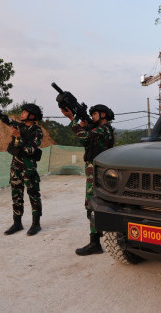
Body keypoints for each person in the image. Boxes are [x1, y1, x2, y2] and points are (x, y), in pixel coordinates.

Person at [0, 91, 44, 236]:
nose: (22, 113)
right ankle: (17, 223)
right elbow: (1, 115)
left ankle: (36, 224)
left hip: (28, 168)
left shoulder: (38, 131)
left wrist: (18, 138)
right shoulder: (19, 126)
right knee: (16, 195)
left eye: (25, 112)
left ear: (32, 115)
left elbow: (30, 150)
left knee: (33, 195)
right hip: (15, 167)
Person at [61, 104, 115, 255]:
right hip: (96, 172)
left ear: (103, 114)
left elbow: (83, 136)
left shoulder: (104, 129)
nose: (92, 117)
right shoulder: (101, 130)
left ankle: (95, 243)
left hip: (96, 173)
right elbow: (86, 141)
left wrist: (72, 119)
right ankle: (96, 238)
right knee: (94, 205)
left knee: (92, 205)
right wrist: (83, 126)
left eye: (95, 114)